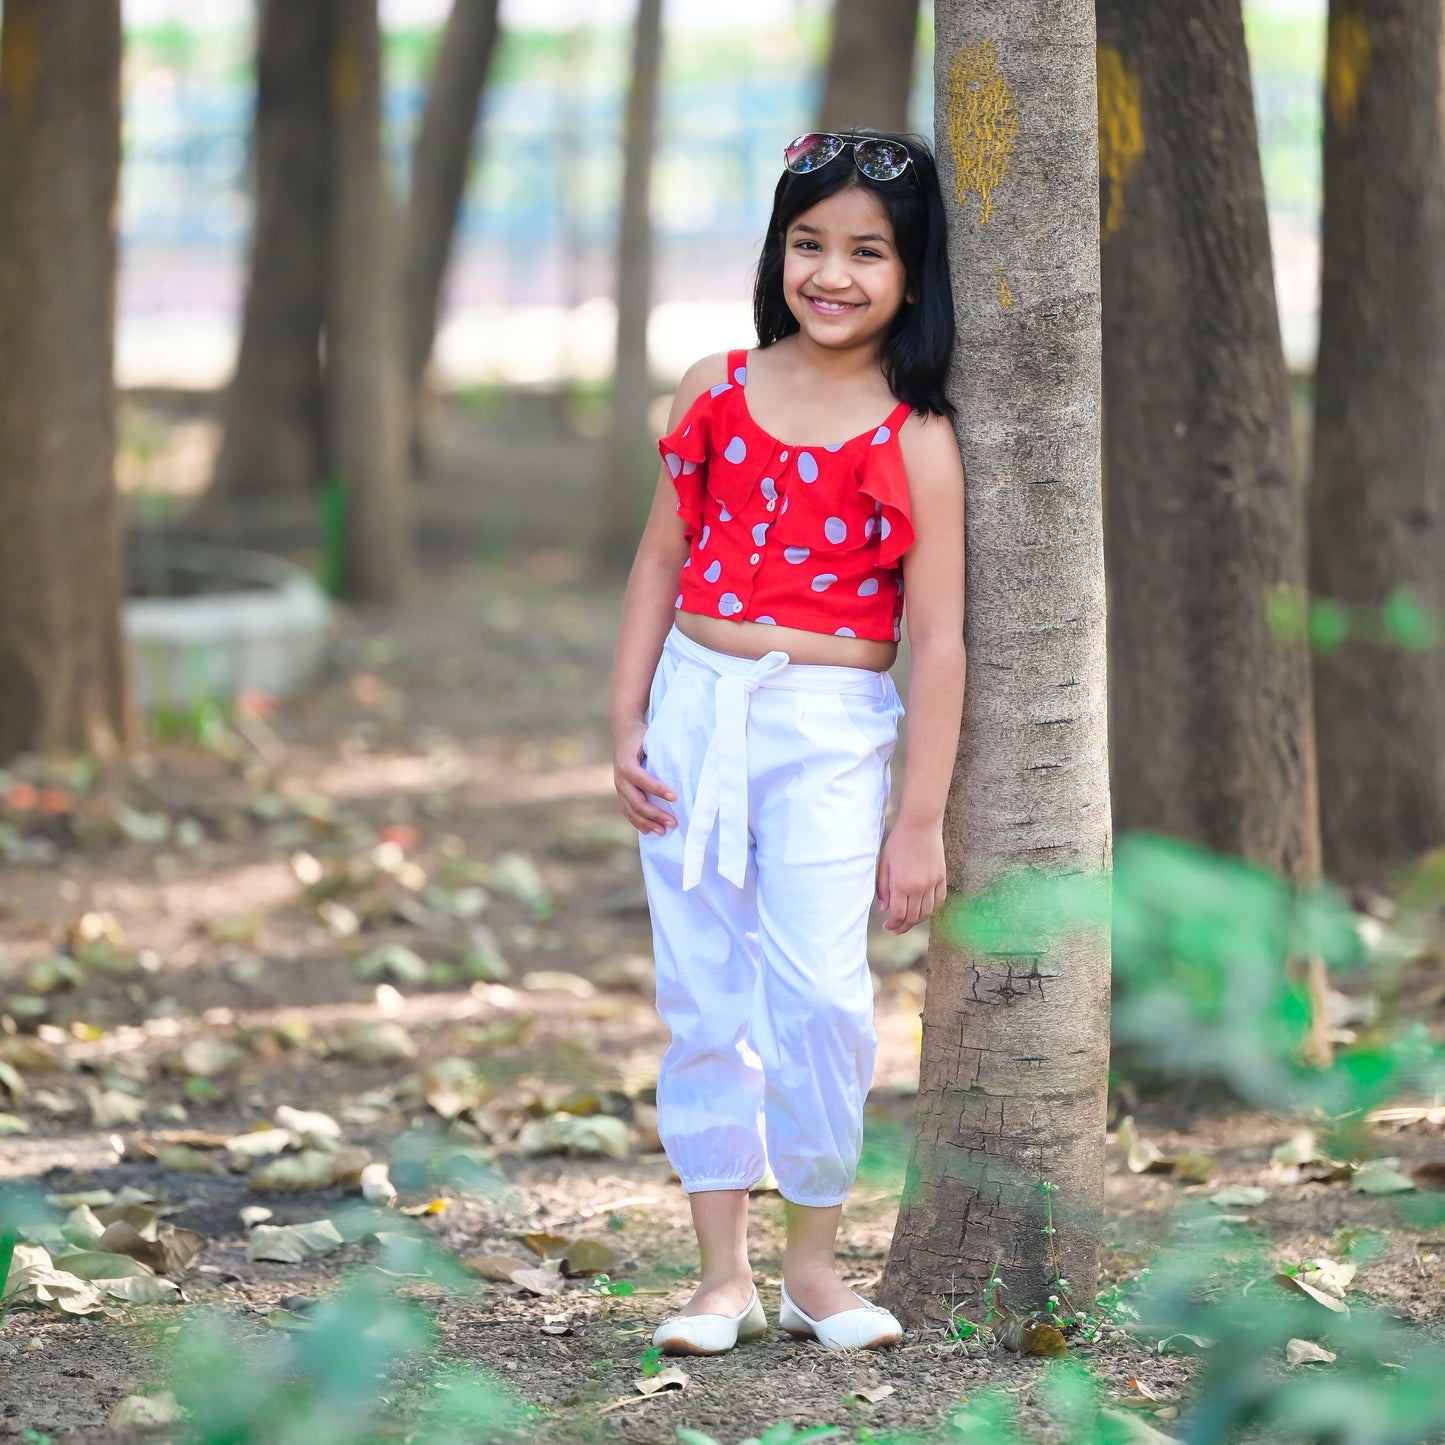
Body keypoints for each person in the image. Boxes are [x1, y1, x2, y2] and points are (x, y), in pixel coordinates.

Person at [609, 129, 966, 1354]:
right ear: (777, 254)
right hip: (693, 707)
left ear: (910, 277)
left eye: (867, 251)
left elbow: (937, 643)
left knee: (818, 994)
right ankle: (720, 1273)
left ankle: (814, 1263)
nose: (832, 272)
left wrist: (915, 819)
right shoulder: (712, 385)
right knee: (703, 993)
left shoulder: (915, 434)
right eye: (808, 243)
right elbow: (659, 559)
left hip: (827, 731)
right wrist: (625, 721)